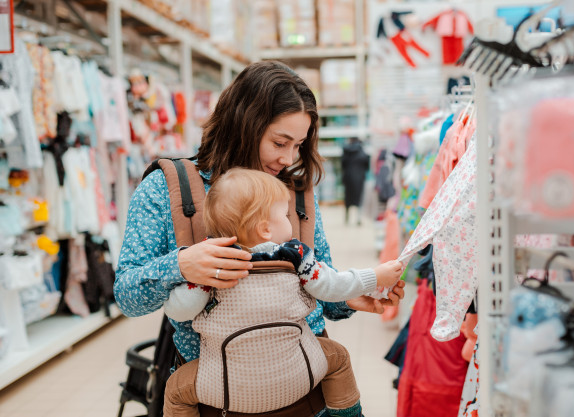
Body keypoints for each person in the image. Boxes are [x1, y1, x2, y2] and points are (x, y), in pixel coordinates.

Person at [114, 60, 406, 416]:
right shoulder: (168, 189)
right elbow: (127, 296)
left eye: (298, 145)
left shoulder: (294, 194)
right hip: (215, 396)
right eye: (279, 142)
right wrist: (182, 264)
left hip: (304, 391)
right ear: (243, 124)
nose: (288, 158)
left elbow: (321, 288)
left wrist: (349, 299)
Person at [162, 168, 403, 417]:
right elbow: (334, 286)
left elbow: (180, 312)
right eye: (286, 214)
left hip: (226, 389)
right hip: (299, 378)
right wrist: (375, 276)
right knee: (338, 357)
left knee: (176, 390)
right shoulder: (296, 256)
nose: (290, 219)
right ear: (265, 229)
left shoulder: (213, 265)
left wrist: (181, 275)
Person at [341, 137, 370, 225]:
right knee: (359, 198)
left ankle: (347, 218)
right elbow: (367, 166)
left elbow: (343, 164)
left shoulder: (346, 151)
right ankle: (358, 218)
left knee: (348, 199)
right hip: (359, 179)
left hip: (348, 178)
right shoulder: (362, 151)